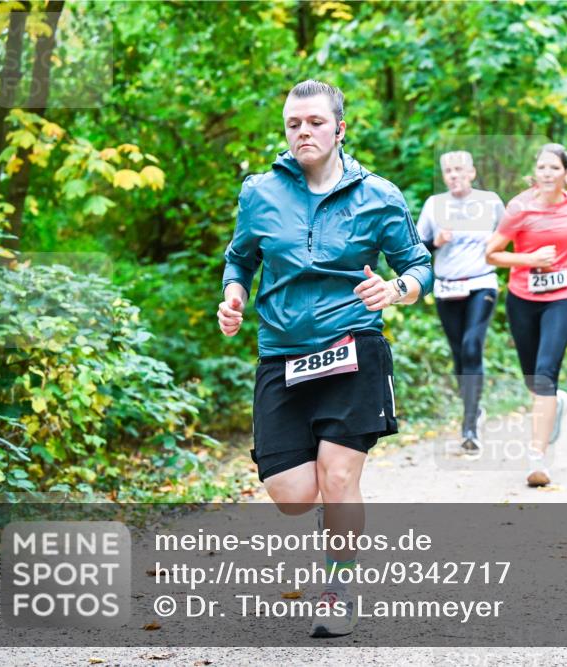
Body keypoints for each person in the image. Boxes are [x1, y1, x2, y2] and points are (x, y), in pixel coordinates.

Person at [217, 79, 432, 638]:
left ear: (339, 128)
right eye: (293, 124)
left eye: (314, 122)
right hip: (282, 355)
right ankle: (333, 519)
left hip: (352, 347)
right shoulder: (259, 192)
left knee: (339, 478)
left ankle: (338, 584)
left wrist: (397, 288)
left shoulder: (379, 196)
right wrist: (233, 295)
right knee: (291, 496)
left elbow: (419, 264)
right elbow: (239, 259)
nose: (303, 132)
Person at [485, 143, 567, 488]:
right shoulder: (519, 207)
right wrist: (529, 260)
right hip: (523, 298)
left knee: (546, 372)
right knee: (534, 379)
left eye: (554, 168)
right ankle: (556, 403)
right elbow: (491, 254)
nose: (547, 174)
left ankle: (537, 458)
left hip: (564, 297)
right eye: (542, 168)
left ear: (566, 174)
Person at [417, 151, 504, 452]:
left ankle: (469, 425)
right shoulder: (434, 205)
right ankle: (474, 410)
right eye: (448, 171)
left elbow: (509, 235)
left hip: (481, 283)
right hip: (447, 288)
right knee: (458, 356)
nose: (454, 175)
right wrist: (435, 242)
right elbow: (416, 248)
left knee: (471, 346)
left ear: (472, 173)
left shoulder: (490, 201)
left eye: (459, 170)